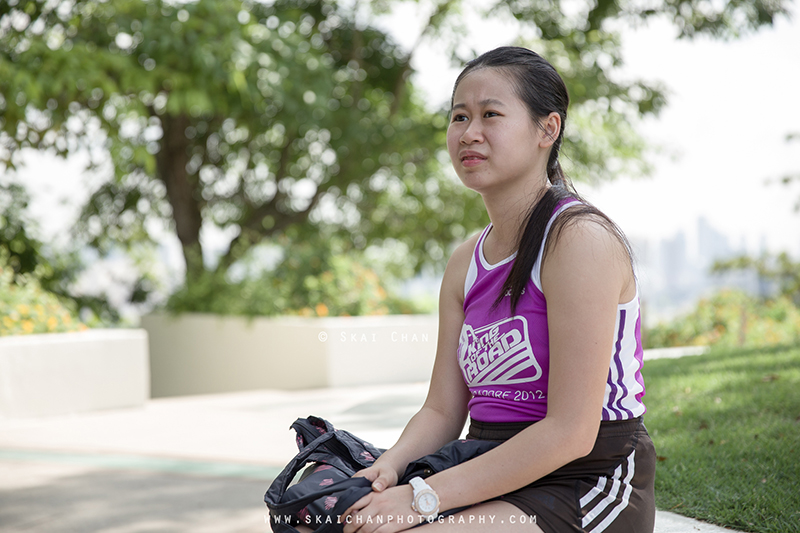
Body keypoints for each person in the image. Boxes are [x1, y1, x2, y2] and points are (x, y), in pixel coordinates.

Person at [339, 46, 656, 533]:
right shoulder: (466, 260)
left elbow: (571, 433)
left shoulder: (578, 241)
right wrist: (390, 467)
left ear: (546, 130)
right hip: (488, 463)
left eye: (491, 115)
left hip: (586, 478)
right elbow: (444, 409)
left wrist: (422, 497)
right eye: (459, 117)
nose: (469, 134)